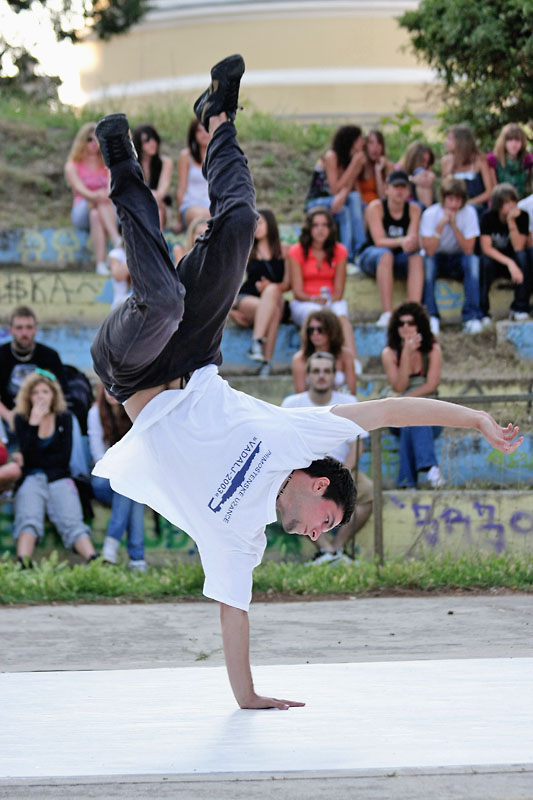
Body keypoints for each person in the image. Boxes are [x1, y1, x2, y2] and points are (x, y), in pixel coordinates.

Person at [90, 56, 523, 710]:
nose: (320, 533)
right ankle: (219, 118)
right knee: (241, 227)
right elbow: (390, 409)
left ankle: (122, 164)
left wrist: (248, 698)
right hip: (197, 350)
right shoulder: (301, 438)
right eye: (329, 522)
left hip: (131, 368)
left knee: (163, 302)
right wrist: (476, 419)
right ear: (319, 485)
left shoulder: (242, 538)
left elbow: (233, 614)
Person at [282, 352, 372, 564]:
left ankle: (337, 549)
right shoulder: (292, 404)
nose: (321, 376)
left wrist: (341, 474)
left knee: (368, 493)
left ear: (334, 376)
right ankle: (326, 550)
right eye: (316, 371)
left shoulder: (348, 402)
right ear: (307, 376)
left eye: (326, 371)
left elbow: (357, 446)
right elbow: (285, 445)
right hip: (303, 472)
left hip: (343, 469)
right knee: (284, 496)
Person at [12, 370, 97, 568]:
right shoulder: (22, 419)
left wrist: (38, 461)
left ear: (53, 395)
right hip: (32, 478)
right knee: (28, 518)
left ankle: (94, 561)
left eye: (45, 392)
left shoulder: (64, 418)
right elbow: (28, 459)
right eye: (35, 393)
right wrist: (34, 424)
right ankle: (23, 563)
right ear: (28, 396)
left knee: (72, 521)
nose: (40, 397)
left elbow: (63, 458)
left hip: (59, 477)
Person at [382, 303, 443, 489]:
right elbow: (399, 385)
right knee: (412, 416)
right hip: (398, 413)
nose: (406, 327)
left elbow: (431, 385)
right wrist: (406, 354)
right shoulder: (389, 353)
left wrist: (408, 401)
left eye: (411, 323)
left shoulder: (432, 350)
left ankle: (407, 483)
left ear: (420, 325)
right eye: (401, 323)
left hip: (427, 411)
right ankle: (430, 468)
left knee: (413, 417)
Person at [288, 206, 359, 364]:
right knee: (315, 316)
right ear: (309, 228)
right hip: (304, 302)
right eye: (315, 225)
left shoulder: (340, 250)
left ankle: (352, 362)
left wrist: (328, 302)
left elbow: (339, 290)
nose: (320, 229)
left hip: (331, 300)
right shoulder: (296, 251)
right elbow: (297, 292)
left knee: (341, 315)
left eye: (324, 225)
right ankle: (309, 363)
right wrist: (314, 299)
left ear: (330, 228)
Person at [88, 383, 146, 571]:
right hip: (103, 479)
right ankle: (137, 557)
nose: (111, 393)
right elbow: (98, 456)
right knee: (129, 485)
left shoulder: (134, 411)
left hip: (129, 479)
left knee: (131, 490)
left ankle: (116, 552)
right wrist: (123, 470)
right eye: (107, 387)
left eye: (115, 387)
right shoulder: (95, 413)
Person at [359, 169, 424, 327]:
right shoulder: (376, 207)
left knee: (416, 258)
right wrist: (402, 241)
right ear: (387, 189)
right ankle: (387, 313)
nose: (399, 191)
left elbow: (412, 240)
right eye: (396, 187)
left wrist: (410, 243)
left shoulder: (414, 209)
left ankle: (413, 313)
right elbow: (379, 241)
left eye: (403, 187)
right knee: (386, 255)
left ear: (409, 191)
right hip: (372, 255)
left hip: (399, 257)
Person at [420, 176, 483, 335]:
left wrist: (454, 225)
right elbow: (429, 251)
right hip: (437, 258)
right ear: (443, 198)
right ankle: (431, 316)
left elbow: (468, 249)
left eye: (458, 200)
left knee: (473, 261)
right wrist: (441, 226)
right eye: (450, 199)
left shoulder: (469, 213)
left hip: (458, 259)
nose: (454, 204)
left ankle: (472, 316)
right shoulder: (430, 214)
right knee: (427, 262)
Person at [230, 207, 290, 373]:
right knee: (273, 310)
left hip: (275, 298)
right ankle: (266, 362)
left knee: (272, 294)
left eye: (260, 223)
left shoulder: (284, 249)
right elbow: (234, 280)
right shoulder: (247, 249)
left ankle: (256, 343)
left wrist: (269, 286)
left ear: (270, 224)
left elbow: (288, 284)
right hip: (248, 298)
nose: (256, 227)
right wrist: (231, 312)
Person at [64, 121, 122, 275]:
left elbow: (111, 187)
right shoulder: (73, 165)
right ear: (82, 142)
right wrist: (95, 195)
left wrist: (103, 195)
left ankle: (100, 264)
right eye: (89, 139)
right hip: (82, 208)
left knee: (96, 214)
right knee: (95, 204)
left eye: (97, 139)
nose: (93, 143)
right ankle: (117, 240)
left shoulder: (107, 164)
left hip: (106, 209)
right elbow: (79, 188)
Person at [0, 306, 67, 434]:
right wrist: (8, 415)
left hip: (44, 414)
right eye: (19, 328)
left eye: (29, 327)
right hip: (7, 416)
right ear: (10, 330)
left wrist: (43, 413)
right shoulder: (2, 354)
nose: (24, 333)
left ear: (35, 329)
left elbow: (60, 390)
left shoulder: (50, 355)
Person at [305, 125, 366, 261]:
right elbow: (335, 189)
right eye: (359, 139)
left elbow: (349, 188)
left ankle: (361, 248)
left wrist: (355, 167)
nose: (363, 142)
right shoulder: (331, 156)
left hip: (335, 199)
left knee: (355, 198)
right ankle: (347, 256)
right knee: (343, 211)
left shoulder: (348, 159)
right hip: (317, 200)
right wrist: (354, 165)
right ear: (351, 141)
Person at [480, 183, 533, 322]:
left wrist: (511, 221)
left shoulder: (522, 216)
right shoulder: (488, 217)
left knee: (523, 257)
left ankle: (520, 308)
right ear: (498, 204)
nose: (512, 205)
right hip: (496, 260)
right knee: (485, 262)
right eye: (507, 202)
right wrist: (510, 263)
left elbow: (519, 247)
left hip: (515, 261)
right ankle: (483, 312)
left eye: (513, 201)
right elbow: (486, 248)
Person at [291, 309, 356, 395]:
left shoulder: (346, 355)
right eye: (311, 330)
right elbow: (300, 394)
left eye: (320, 329)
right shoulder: (300, 359)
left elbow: (351, 392)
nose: (315, 333)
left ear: (332, 330)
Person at [441, 124, 492, 221]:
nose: (446, 142)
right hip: (452, 206)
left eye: (449, 139)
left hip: (475, 206)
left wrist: (468, 203)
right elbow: (444, 190)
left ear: (461, 141)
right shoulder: (446, 161)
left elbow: (489, 191)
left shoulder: (480, 160)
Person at [132, 124, 173, 229]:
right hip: (137, 206)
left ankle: (157, 238)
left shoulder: (165, 162)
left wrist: (152, 196)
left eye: (154, 139)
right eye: (147, 141)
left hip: (159, 205)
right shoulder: (132, 165)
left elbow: (162, 190)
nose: (152, 143)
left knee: (157, 207)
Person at [176, 118, 211, 231]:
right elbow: (181, 188)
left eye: (206, 130)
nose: (204, 134)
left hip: (212, 206)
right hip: (191, 206)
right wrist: (179, 220)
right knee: (200, 217)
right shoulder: (186, 156)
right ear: (194, 134)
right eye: (199, 131)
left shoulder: (220, 157)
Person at [487, 123, 533, 200]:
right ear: (503, 141)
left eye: (517, 140)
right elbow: (494, 191)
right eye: (510, 139)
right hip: (500, 201)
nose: (514, 144)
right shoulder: (493, 160)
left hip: (523, 201)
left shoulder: (527, 160)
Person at [356, 129, 395, 206]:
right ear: (365, 145)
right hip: (362, 207)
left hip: (380, 207)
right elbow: (357, 197)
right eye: (371, 143)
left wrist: (378, 171)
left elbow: (383, 198)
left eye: (379, 143)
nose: (375, 147)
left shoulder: (388, 166)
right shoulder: (359, 164)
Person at [397, 140, 436, 209]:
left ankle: (427, 212)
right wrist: (412, 180)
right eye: (422, 161)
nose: (425, 165)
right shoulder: (399, 169)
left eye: (428, 162)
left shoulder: (426, 173)